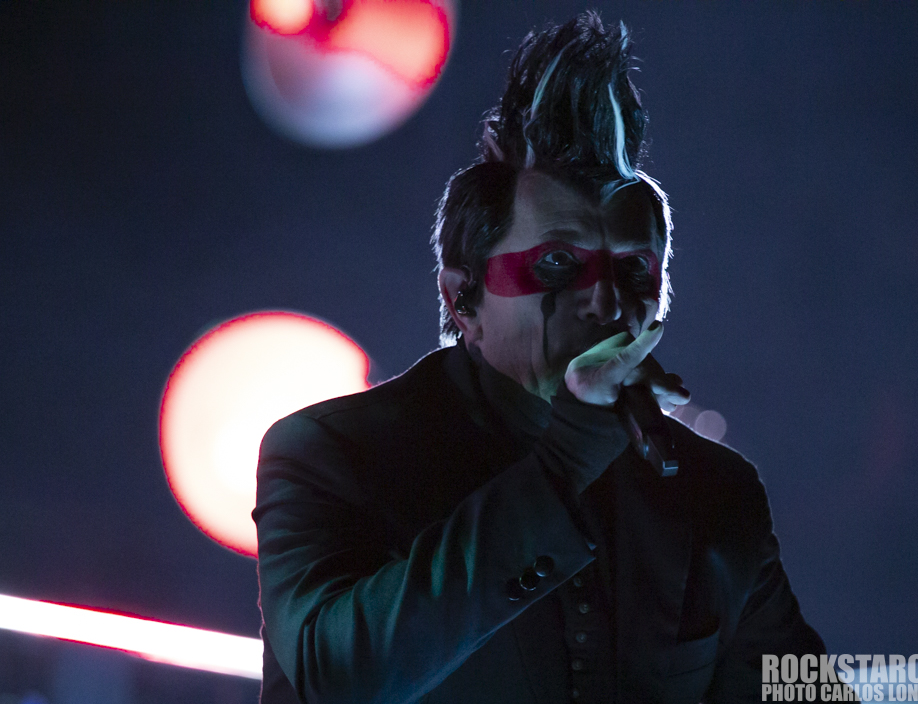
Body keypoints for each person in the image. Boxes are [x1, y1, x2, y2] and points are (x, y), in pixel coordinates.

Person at [253, 12, 823, 704]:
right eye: (557, 264)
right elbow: (338, 680)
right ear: (463, 297)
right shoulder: (334, 454)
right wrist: (564, 461)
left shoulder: (713, 493)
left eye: (635, 269)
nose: (606, 303)